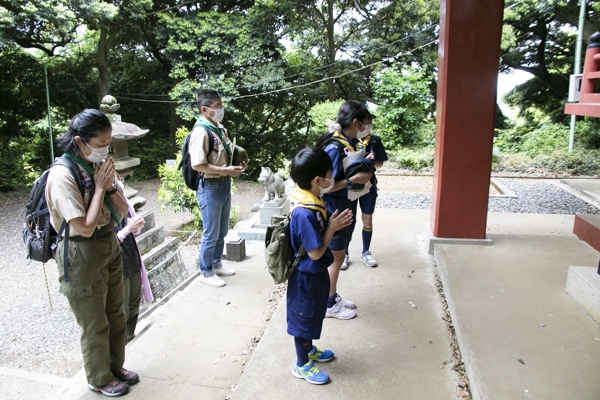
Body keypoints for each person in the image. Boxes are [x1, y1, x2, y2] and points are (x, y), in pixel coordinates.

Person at [46, 109, 139, 397]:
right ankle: (98, 378)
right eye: (100, 143)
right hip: (80, 251)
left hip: (109, 242)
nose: (105, 149)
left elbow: (123, 210)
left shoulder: (96, 168)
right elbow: (83, 227)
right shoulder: (62, 175)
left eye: (109, 142)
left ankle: (115, 366)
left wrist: (110, 186)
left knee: (115, 312)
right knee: (94, 320)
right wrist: (99, 188)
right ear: (80, 141)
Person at [288, 147, 353, 384]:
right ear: (318, 180)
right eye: (329, 174)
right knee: (303, 321)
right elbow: (315, 253)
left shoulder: (312, 198)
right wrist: (332, 228)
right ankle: (301, 364)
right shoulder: (304, 213)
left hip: (315, 275)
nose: (332, 179)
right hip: (306, 277)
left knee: (313, 316)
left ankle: (309, 350)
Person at [315, 100, 374, 319]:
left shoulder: (347, 142)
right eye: (365, 123)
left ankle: (331, 295)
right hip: (335, 210)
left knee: (337, 255)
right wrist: (353, 181)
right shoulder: (335, 146)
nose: (366, 127)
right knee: (336, 257)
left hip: (345, 207)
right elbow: (324, 186)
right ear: (356, 122)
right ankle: (329, 303)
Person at [189, 89, 249, 287]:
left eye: (221, 105)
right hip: (210, 186)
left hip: (223, 184)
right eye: (217, 107)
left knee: (222, 230)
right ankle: (205, 272)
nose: (221, 109)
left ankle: (216, 264)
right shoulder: (200, 131)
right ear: (205, 109)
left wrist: (238, 165)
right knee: (211, 232)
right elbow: (197, 165)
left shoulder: (219, 128)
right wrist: (226, 171)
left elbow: (226, 155)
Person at [343, 124, 388, 268]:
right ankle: (344, 253)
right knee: (347, 219)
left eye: (369, 124)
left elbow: (381, 163)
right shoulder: (348, 140)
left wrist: (371, 160)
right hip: (350, 185)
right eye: (365, 123)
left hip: (368, 185)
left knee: (367, 218)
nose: (366, 127)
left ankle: (366, 252)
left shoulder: (375, 140)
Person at [114, 188, 154, 344]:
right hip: (118, 261)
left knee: (133, 302)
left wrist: (135, 226)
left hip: (132, 257)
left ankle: (130, 337)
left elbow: (134, 230)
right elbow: (110, 240)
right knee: (121, 308)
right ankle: (121, 344)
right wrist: (127, 229)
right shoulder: (103, 207)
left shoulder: (123, 201)